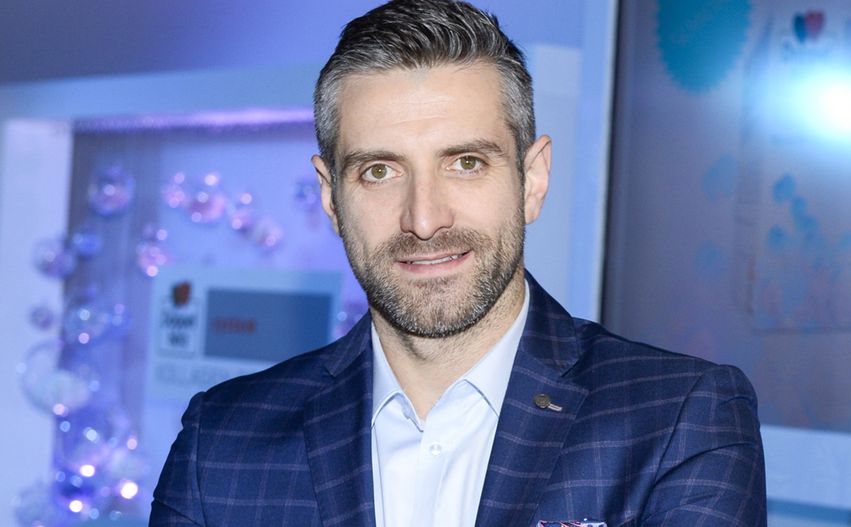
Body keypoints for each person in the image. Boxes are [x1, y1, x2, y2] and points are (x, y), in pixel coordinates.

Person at [150, 0, 767, 525]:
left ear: (532, 179)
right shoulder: (222, 442)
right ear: (331, 198)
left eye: (466, 163)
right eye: (379, 171)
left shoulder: (679, 420)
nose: (424, 219)